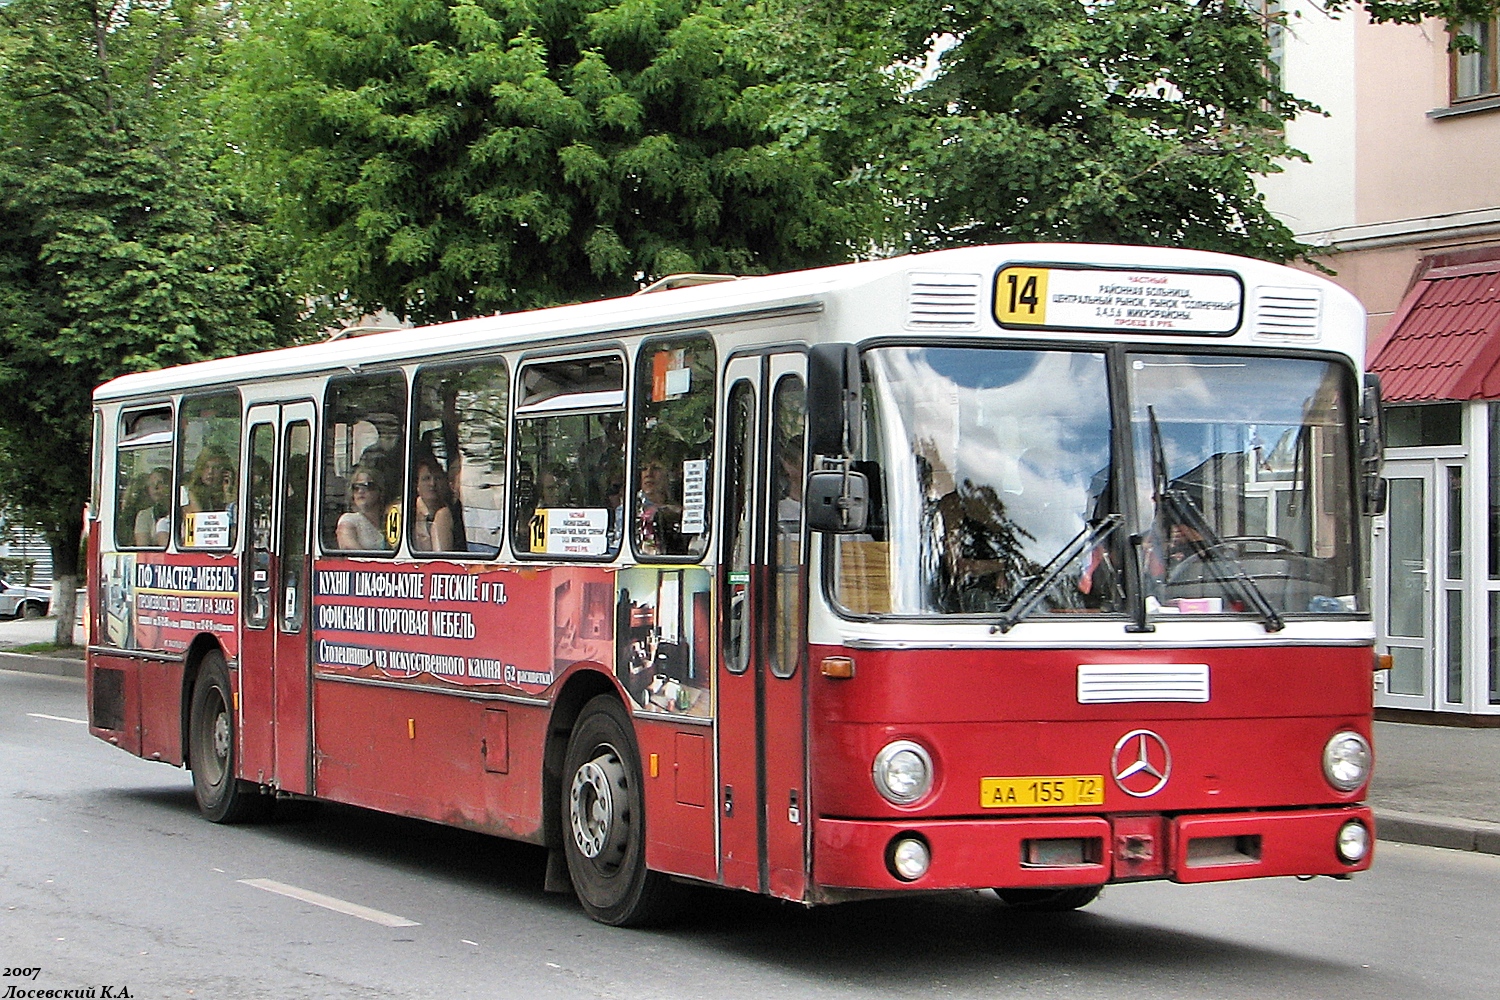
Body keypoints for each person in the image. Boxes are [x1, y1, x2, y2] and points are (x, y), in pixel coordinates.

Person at [336, 465, 391, 550]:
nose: (360, 491)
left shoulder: (389, 520)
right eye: (356, 487)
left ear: (380, 490)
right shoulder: (349, 520)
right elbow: (348, 547)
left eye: (367, 486)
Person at [636, 457, 683, 555]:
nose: (649, 474)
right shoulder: (629, 510)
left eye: (656, 468)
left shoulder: (679, 513)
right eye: (644, 469)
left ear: (668, 476)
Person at [411, 454, 455, 552]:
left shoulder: (454, 513)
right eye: (426, 479)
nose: (432, 483)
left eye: (438, 478)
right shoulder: (408, 514)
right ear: (416, 485)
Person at [128, 467, 171, 546]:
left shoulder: (184, 511)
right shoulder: (144, 515)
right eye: (151, 484)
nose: (155, 487)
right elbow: (143, 548)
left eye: (160, 483)